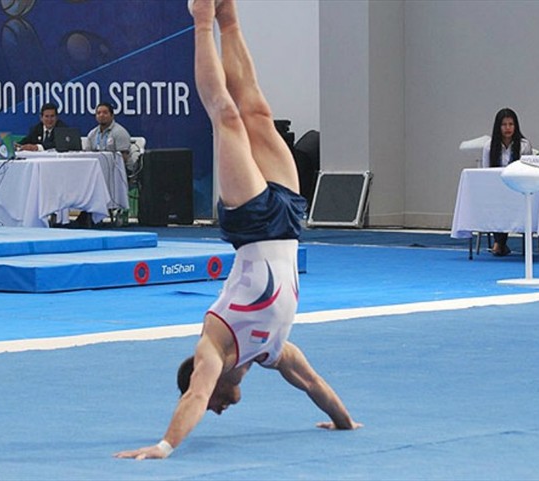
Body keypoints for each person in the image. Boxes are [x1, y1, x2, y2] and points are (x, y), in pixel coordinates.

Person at [114, 0, 362, 461]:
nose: (220, 411)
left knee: (226, 115)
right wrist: (344, 421)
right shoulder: (272, 353)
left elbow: (191, 398)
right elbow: (313, 384)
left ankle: (204, 17)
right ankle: (229, 15)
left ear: (206, 387)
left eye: (213, 406)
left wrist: (165, 445)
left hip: (251, 224)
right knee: (259, 113)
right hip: (288, 221)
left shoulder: (214, 347)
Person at [481, 108, 533, 256]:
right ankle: (499, 242)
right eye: (504, 124)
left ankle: (499, 244)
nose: (508, 128)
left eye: (511, 124)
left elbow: (526, 169)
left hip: (518, 189)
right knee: (495, 203)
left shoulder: (524, 145)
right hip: (496, 189)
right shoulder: (489, 146)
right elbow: (486, 171)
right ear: (498, 127)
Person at [85, 102, 132, 170]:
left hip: (118, 170)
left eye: (105, 113)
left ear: (112, 115)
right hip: (98, 169)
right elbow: (87, 155)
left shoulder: (120, 132)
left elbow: (123, 158)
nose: (101, 115)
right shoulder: (92, 134)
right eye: (98, 113)